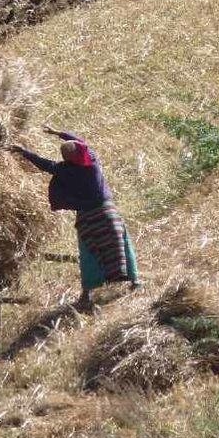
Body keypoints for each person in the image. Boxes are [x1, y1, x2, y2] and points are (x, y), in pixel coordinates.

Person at [10, 126, 139, 310]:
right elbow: (81, 142)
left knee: (89, 252)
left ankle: (87, 294)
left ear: (67, 159)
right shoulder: (92, 160)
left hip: (88, 218)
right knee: (122, 244)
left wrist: (24, 152)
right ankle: (135, 281)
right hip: (109, 212)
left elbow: (45, 165)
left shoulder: (66, 170)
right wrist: (58, 133)